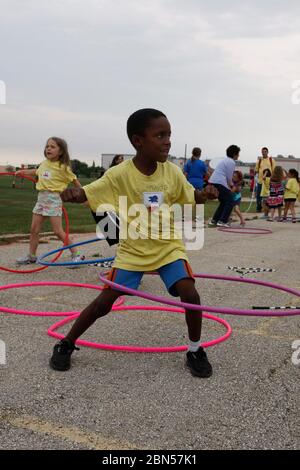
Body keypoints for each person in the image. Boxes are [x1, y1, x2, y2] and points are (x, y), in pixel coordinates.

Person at [49, 108, 218, 378]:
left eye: (169, 135)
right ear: (138, 141)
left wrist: (205, 194)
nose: (167, 141)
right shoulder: (120, 174)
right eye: (160, 135)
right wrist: (73, 193)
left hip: (167, 247)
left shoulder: (172, 172)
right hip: (133, 250)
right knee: (103, 303)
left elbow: (191, 196)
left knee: (191, 294)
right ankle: (66, 343)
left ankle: (195, 350)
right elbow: (89, 193)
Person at [15, 137, 84, 265]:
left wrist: (83, 194)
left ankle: (77, 254)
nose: (48, 149)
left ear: (61, 151)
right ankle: (32, 256)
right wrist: (23, 172)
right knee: (34, 229)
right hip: (41, 198)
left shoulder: (63, 167)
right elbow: (37, 171)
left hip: (54, 199)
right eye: (47, 146)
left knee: (58, 231)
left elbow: (74, 180)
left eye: (52, 147)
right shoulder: (44, 163)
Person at [208, 145, 240, 227]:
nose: (238, 155)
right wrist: (231, 185)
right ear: (234, 154)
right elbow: (229, 176)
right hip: (219, 182)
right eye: (238, 154)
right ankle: (222, 221)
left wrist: (229, 185)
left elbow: (226, 176)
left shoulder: (225, 160)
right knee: (230, 201)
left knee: (223, 202)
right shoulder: (231, 162)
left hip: (214, 181)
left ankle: (214, 220)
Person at [254, 147, 275, 212]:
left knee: (268, 195)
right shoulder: (259, 161)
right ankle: (259, 208)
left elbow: (273, 170)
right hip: (260, 181)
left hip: (268, 182)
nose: (264, 153)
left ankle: (268, 208)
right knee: (258, 195)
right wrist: (256, 177)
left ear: (267, 152)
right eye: (263, 151)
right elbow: (256, 170)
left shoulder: (271, 160)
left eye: (265, 151)